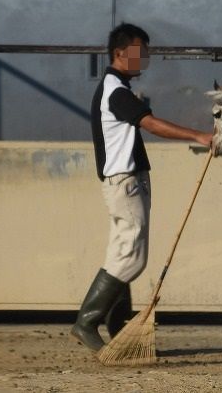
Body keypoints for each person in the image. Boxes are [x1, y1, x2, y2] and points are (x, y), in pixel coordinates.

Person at [71, 23, 213, 351]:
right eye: (140, 51)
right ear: (120, 53)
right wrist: (198, 135)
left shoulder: (117, 87)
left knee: (122, 255)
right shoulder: (116, 92)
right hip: (124, 182)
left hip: (126, 181)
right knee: (131, 260)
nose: (145, 57)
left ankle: (118, 329)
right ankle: (87, 322)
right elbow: (150, 123)